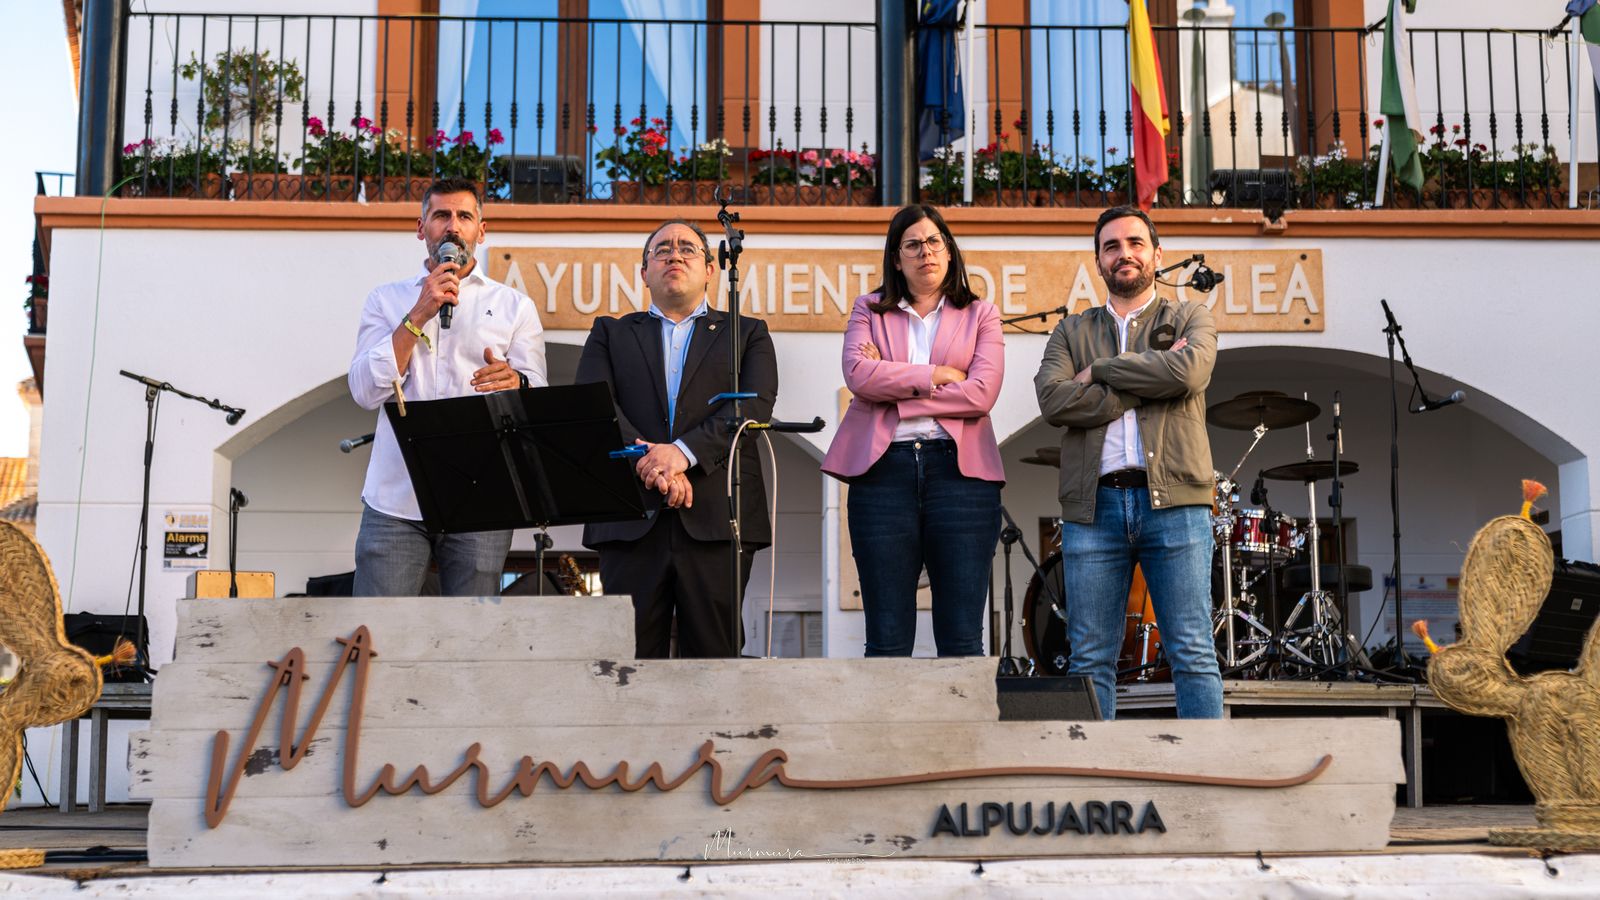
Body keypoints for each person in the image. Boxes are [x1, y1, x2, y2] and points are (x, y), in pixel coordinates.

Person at [1033, 206, 1222, 719]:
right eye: (1111, 246)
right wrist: (1149, 382)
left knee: (1192, 651)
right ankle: (1092, 765)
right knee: (1089, 658)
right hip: (1093, 508)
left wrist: (1100, 370)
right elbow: (1053, 401)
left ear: (1157, 255)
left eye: (1136, 243)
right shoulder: (1070, 331)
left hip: (1175, 504)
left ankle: (1207, 767)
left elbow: (1188, 373)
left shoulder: (1190, 316)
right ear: (1098, 260)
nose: (1124, 254)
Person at [575, 219, 779, 658]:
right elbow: (594, 405)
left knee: (713, 662)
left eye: (688, 248)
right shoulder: (609, 333)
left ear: (710, 270)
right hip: (630, 517)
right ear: (643, 272)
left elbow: (753, 407)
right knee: (627, 663)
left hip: (718, 518)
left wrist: (682, 455)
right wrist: (652, 462)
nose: (674, 254)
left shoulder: (747, 333)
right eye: (662, 249)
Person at [348, 177, 548, 597]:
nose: (453, 226)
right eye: (441, 215)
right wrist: (418, 314)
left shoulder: (515, 306)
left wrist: (518, 382)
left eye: (464, 217)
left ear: (481, 230)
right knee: (379, 625)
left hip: (482, 494)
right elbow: (365, 391)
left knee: (470, 629)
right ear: (421, 228)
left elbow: (537, 399)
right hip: (396, 497)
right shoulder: (385, 300)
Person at [821, 205, 1004, 657]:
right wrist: (937, 375)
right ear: (896, 258)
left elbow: (981, 394)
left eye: (934, 241)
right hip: (883, 474)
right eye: (913, 244)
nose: (926, 252)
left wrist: (892, 383)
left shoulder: (981, 314)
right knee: (886, 639)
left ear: (949, 250)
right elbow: (858, 376)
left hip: (961, 476)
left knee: (962, 639)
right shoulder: (868, 309)